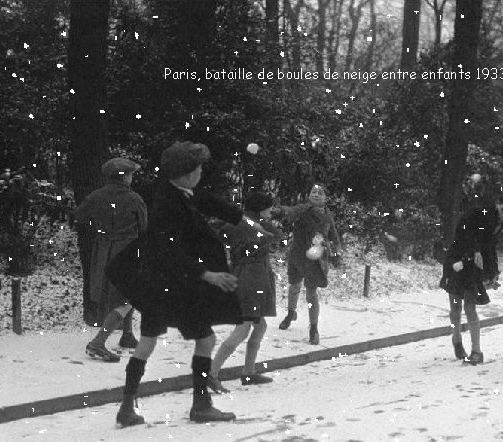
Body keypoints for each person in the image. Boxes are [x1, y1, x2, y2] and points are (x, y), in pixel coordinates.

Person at [107, 141, 272, 426]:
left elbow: (211, 202)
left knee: (147, 342)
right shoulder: (168, 204)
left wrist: (245, 221)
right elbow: (170, 250)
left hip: (161, 283)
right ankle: (200, 405)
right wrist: (207, 274)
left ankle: (126, 406)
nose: (200, 173)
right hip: (175, 284)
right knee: (204, 339)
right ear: (184, 173)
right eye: (196, 168)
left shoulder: (180, 192)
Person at [206, 192, 282, 393]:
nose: (270, 212)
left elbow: (219, 233)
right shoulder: (259, 226)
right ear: (260, 209)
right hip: (254, 277)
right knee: (244, 326)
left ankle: (249, 372)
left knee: (259, 326)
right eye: (268, 208)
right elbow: (276, 237)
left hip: (242, 274)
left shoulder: (235, 223)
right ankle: (212, 373)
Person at [75, 157, 147, 363]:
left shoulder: (95, 197)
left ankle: (127, 335)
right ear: (124, 177)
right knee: (127, 297)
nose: (132, 177)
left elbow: (79, 217)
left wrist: (100, 229)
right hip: (127, 250)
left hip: (103, 249)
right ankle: (99, 342)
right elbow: (144, 227)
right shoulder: (134, 199)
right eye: (131, 174)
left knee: (121, 293)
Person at [439, 195, 503, 365]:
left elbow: (490, 246)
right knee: (455, 308)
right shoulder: (479, 212)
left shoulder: (499, 222)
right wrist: (475, 249)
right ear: (497, 203)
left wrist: (493, 272)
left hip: (474, 267)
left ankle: (477, 351)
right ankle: (456, 340)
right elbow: (464, 230)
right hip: (457, 260)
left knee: (470, 307)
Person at [273, 183, 343, 345]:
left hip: (316, 259)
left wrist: (337, 252)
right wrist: (279, 211)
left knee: (311, 293)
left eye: (320, 193)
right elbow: (291, 212)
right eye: (313, 192)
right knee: (294, 286)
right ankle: (291, 313)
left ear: (326, 198)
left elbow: (333, 235)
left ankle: (313, 328)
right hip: (298, 255)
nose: (316, 194)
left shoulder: (328, 215)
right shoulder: (303, 209)